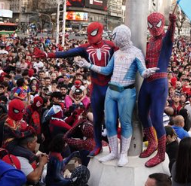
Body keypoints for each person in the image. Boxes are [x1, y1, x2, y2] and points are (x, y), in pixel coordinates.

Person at [76, 24, 158, 167]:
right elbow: (107, 70)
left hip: (127, 92)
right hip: (111, 91)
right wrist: (88, 65)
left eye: (115, 36)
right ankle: (114, 152)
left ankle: (123, 153)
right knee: (109, 122)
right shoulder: (116, 52)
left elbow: (142, 71)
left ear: (122, 36)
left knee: (126, 123)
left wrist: (148, 73)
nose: (113, 39)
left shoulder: (136, 52)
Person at [34, 22, 116, 157]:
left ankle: (113, 147)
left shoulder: (111, 46)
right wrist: (47, 55)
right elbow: (66, 53)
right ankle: (98, 145)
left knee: (112, 117)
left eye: (93, 33)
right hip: (96, 87)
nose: (90, 37)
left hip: (109, 86)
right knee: (97, 119)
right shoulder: (86, 48)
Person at [138, 12, 177, 167]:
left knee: (156, 118)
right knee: (141, 113)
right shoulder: (149, 42)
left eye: (157, 24)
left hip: (159, 81)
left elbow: (170, 36)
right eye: (151, 25)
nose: (154, 28)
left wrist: (173, 23)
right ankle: (152, 143)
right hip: (148, 80)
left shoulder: (165, 40)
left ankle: (161, 154)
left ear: (162, 24)